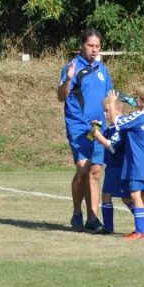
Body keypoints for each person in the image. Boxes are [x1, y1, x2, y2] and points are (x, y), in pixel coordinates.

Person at [57, 28, 113, 233]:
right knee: (83, 169)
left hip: (99, 128)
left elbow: (110, 98)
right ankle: (77, 213)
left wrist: (114, 118)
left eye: (97, 46)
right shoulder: (72, 67)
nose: (94, 50)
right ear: (81, 44)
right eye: (90, 45)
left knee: (96, 171)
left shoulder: (102, 69)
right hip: (79, 126)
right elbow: (61, 96)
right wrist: (69, 79)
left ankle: (92, 218)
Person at [107, 88, 144, 240]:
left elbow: (115, 121)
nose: (135, 99)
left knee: (135, 194)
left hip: (137, 162)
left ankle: (141, 231)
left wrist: (112, 103)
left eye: (138, 97)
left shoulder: (138, 117)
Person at [89, 93, 135, 234]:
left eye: (107, 110)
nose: (105, 113)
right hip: (111, 167)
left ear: (118, 110)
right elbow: (97, 140)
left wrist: (98, 136)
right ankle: (108, 227)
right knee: (106, 194)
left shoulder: (120, 127)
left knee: (126, 198)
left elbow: (112, 147)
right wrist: (94, 132)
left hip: (120, 167)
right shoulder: (110, 128)